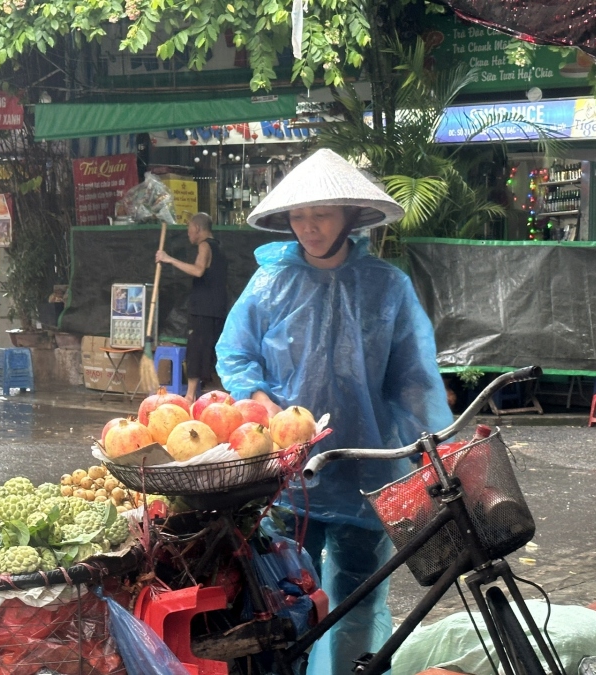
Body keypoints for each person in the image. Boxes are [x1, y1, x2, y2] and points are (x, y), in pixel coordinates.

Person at [216, 149, 452, 674]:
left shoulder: (387, 287)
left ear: (349, 215)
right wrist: (262, 405)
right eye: (299, 215)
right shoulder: (269, 283)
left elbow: (413, 380)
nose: (309, 226)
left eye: (321, 213)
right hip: (286, 471)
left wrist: (432, 449)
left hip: (364, 467)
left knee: (356, 600)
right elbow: (235, 353)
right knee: (284, 598)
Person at [156, 212, 229, 402]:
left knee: (196, 349)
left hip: (203, 308)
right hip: (218, 308)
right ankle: (215, 393)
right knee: (211, 349)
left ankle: (189, 396)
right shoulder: (219, 247)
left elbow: (198, 270)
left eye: (189, 228)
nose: (188, 234)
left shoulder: (205, 245)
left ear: (197, 228)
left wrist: (168, 259)